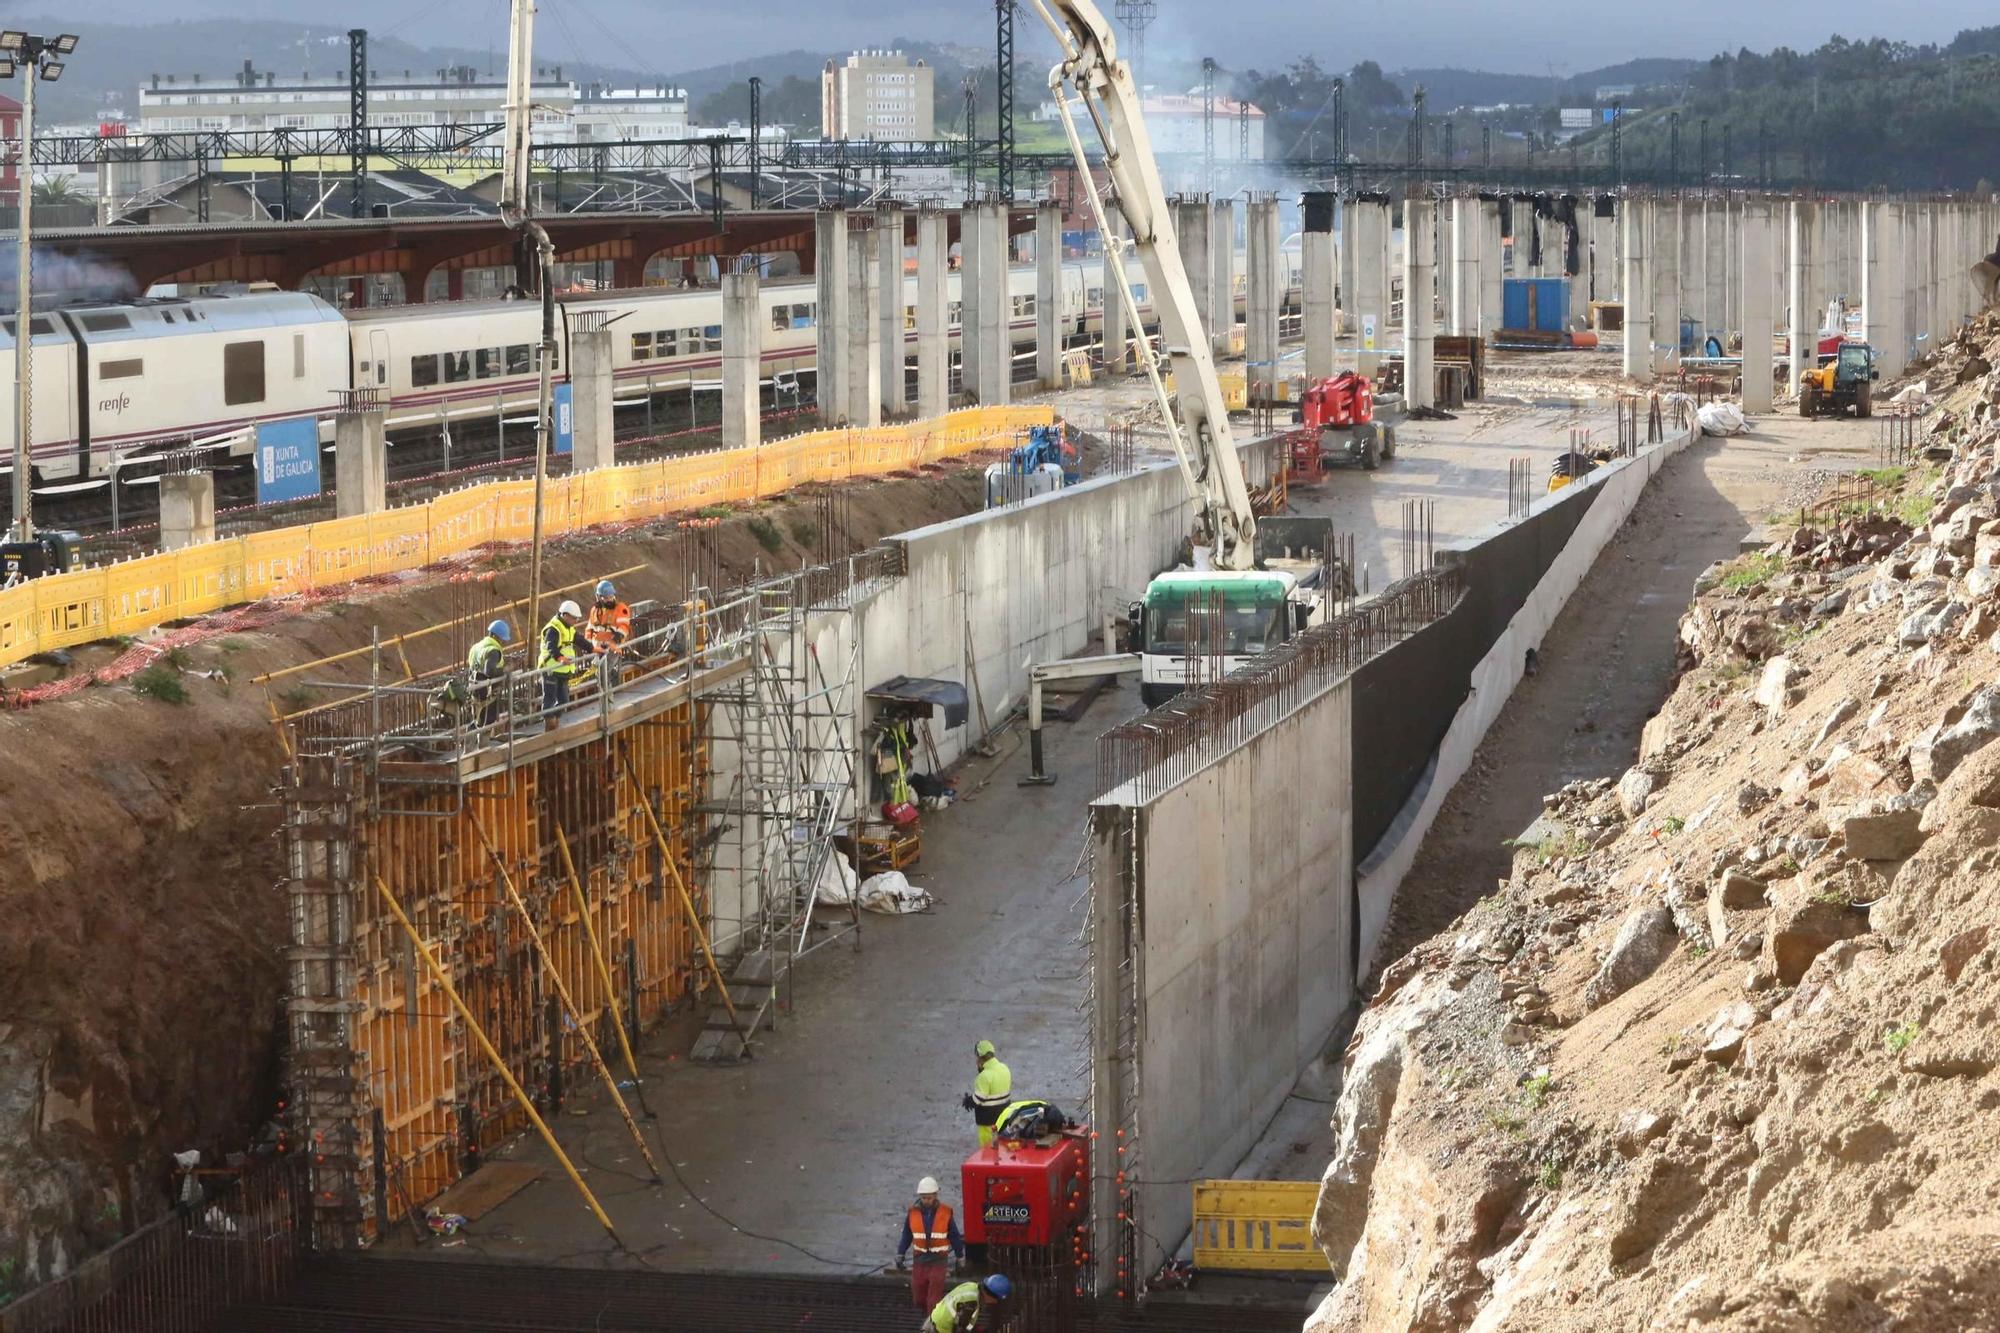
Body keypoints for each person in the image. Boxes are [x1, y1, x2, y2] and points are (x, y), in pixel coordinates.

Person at [895, 1175, 964, 1313]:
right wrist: (900, 1253)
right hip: (919, 1260)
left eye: (929, 1197)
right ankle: (926, 1315)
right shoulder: (912, 1213)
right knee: (919, 1297)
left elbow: (954, 1236)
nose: (926, 1201)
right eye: (924, 1197)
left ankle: (932, 1323)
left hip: (938, 1261)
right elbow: (907, 1235)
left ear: (935, 1195)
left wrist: (960, 1256)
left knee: (933, 1300)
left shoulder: (945, 1213)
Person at [538, 600, 586, 716]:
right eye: (574, 618)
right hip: (551, 669)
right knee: (549, 699)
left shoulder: (569, 628)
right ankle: (549, 723)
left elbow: (579, 640)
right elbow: (551, 647)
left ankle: (556, 719)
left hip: (563, 670)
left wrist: (593, 649)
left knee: (564, 701)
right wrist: (560, 657)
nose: (576, 621)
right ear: (565, 615)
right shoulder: (553, 629)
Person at [962, 1040, 1012, 1148]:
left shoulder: (984, 1076)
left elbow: (978, 1099)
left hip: (987, 1122)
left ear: (980, 1057)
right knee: (1003, 1148)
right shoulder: (1004, 1068)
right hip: (1004, 1119)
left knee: (987, 1151)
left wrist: (968, 1100)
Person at [924, 1274, 1010, 1333]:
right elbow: (959, 1329)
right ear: (991, 1296)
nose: (996, 1303)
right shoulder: (970, 1303)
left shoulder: (972, 1286)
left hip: (936, 1319)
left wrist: (975, 1329)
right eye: (997, 1300)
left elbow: (963, 1322)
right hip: (940, 1328)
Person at [467, 619, 511, 726]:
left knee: (478, 717)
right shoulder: (493, 650)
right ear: (496, 637)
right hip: (486, 691)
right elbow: (489, 671)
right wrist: (504, 671)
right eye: (502, 639)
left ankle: (480, 739)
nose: (503, 642)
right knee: (488, 719)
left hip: (474, 686)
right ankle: (484, 741)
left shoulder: (476, 647)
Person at [583, 579, 632, 658]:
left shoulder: (620, 608)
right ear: (599, 597)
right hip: (597, 650)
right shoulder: (594, 610)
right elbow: (589, 630)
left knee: (608, 670)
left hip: (612, 649)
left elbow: (624, 627)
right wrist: (587, 645)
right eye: (606, 598)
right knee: (598, 670)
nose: (609, 600)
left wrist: (615, 640)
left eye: (611, 597)